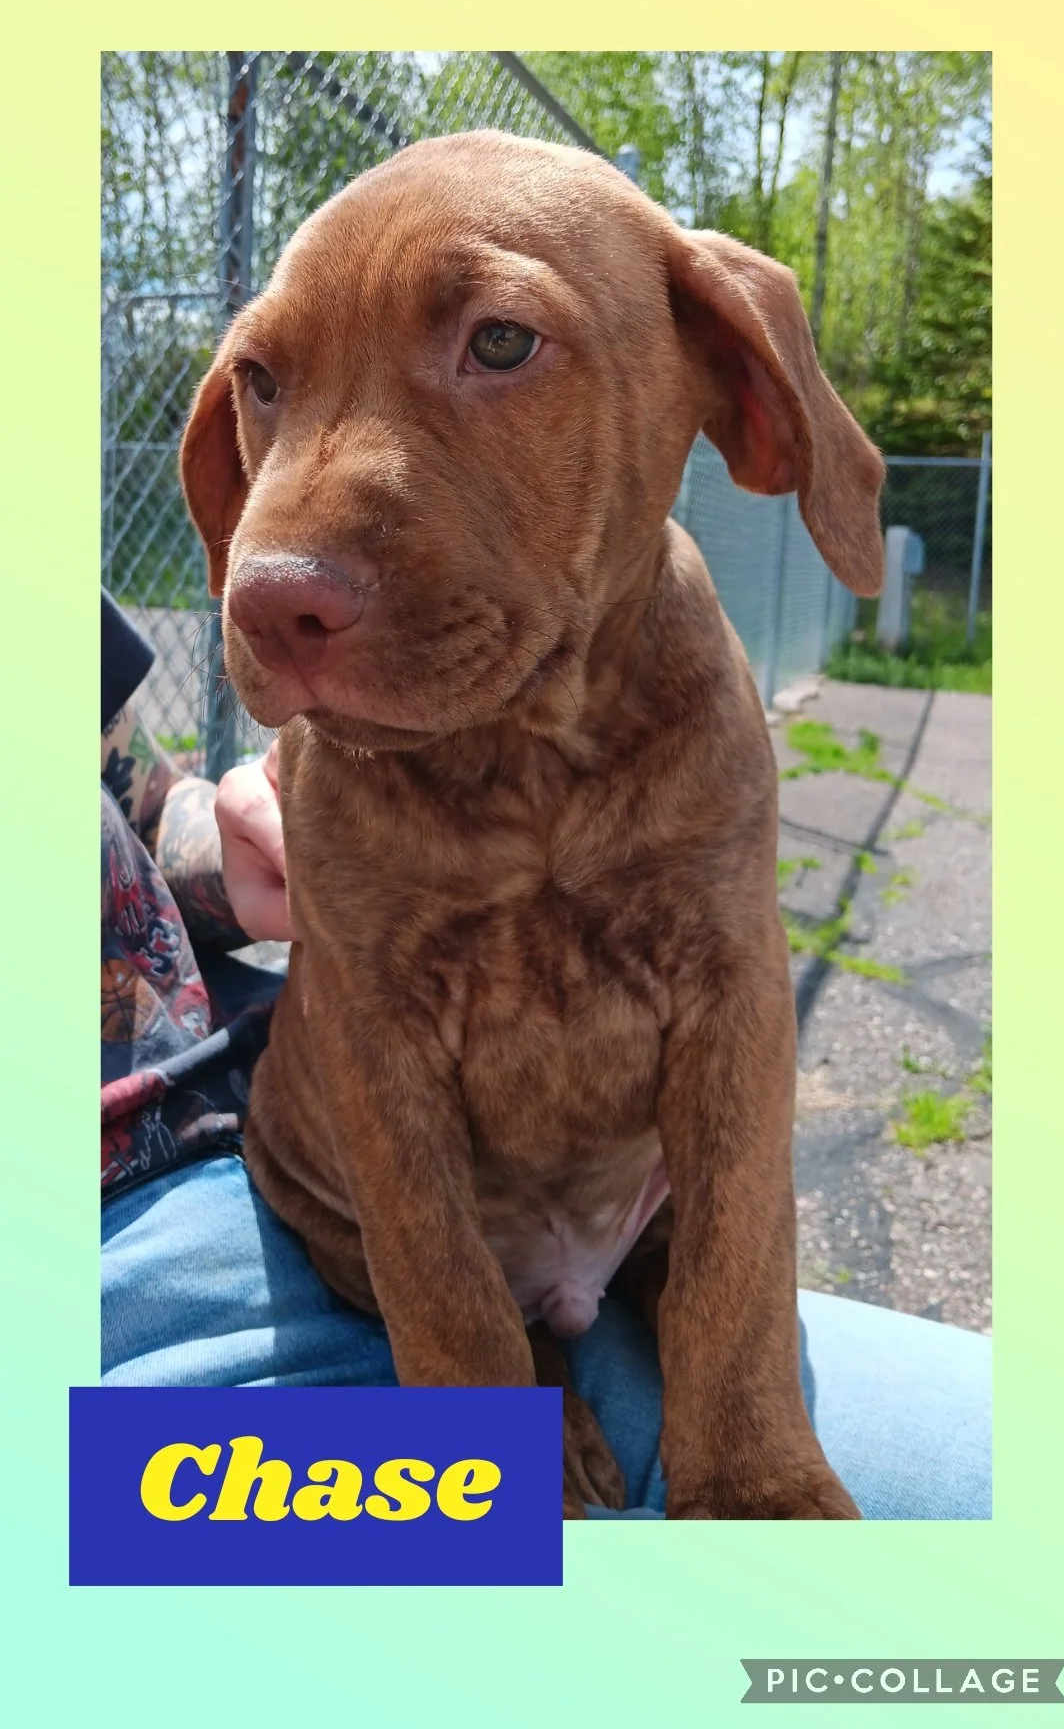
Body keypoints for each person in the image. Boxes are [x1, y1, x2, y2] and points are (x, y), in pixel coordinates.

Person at [100, 590, 991, 1519]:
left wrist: (233, 837)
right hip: (148, 1297)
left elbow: (144, 805)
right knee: (560, 1614)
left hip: (272, 1143)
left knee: (1002, 1487)